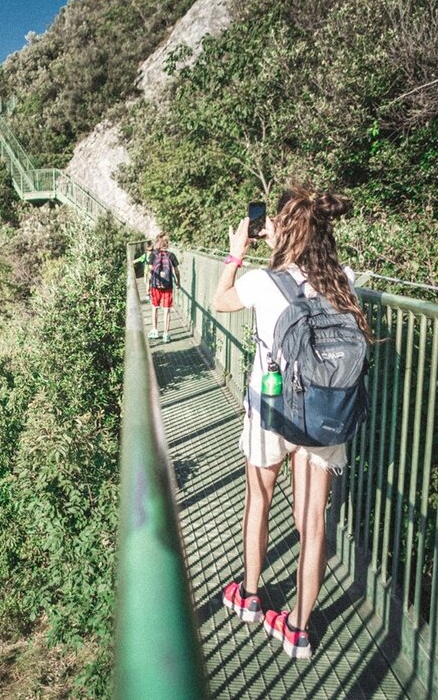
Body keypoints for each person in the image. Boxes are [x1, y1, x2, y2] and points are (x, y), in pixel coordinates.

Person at [211, 184, 372, 660]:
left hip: (271, 407)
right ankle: (298, 629)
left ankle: (252, 596)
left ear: (284, 230)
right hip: (323, 413)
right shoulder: (344, 280)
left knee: (259, 498)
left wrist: (237, 252)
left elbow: (220, 300)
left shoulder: (264, 280)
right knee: (312, 522)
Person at [146, 234, 179, 344]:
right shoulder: (171, 255)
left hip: (156, 286)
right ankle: (166, 334)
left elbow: (150, 272)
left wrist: (148, 286)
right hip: (168, 286)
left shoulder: (153, 255)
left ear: (157, 243)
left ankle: (155, 330)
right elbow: (176, 271)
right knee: (166, 310)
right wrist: (178, 281)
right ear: (167, 244)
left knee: (155, 307)